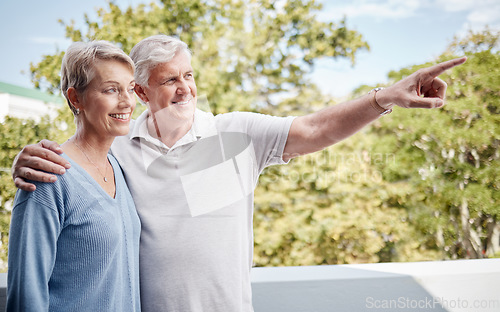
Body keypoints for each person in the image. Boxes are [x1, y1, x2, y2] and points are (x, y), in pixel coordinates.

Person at [11, 35, 466, 312]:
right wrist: (26, 156)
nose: (185, 88)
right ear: (143, 91)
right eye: (170, 80)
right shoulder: (120, 150)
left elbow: (315, 128)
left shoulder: (237, 133)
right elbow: (80, 149)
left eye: (189, 76)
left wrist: (385, 97)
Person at [7, 41, 141, 311]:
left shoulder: (120, 165)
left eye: (130, 88)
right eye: (111, 89)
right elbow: (26, 295)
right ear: (75, 98)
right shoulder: (47, 176)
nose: (127, 101)